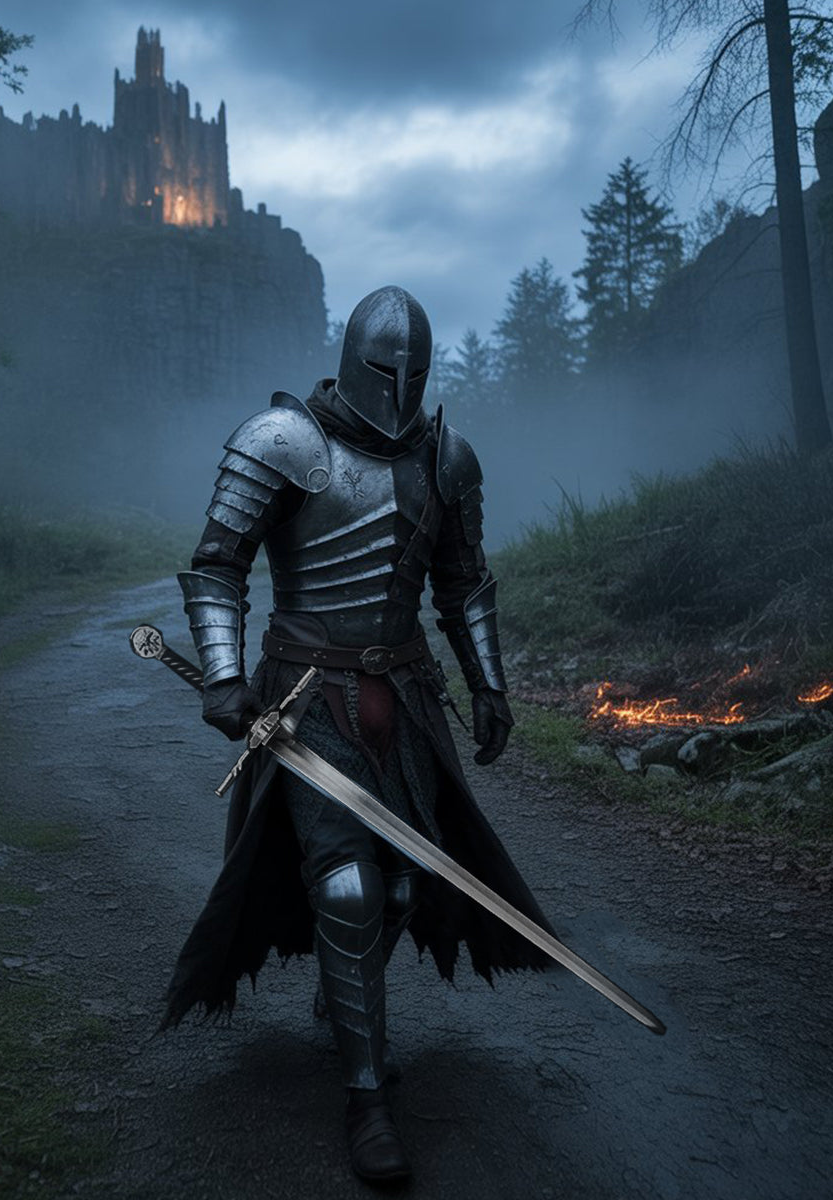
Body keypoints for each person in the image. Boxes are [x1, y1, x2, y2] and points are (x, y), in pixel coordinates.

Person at [166, 285, 556, 1184]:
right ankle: (368, 1094)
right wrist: (224, 675)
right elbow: (217, 565)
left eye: (415, 370)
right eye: (388, 367)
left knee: (403, 892)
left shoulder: (448, 460)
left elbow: (464, 587)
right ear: (353, 358)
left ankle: (343, 1002)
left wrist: (488, 685)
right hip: (308, 696)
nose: (401, 383)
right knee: (346, 889)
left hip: (408, 698)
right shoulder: (281, 443)